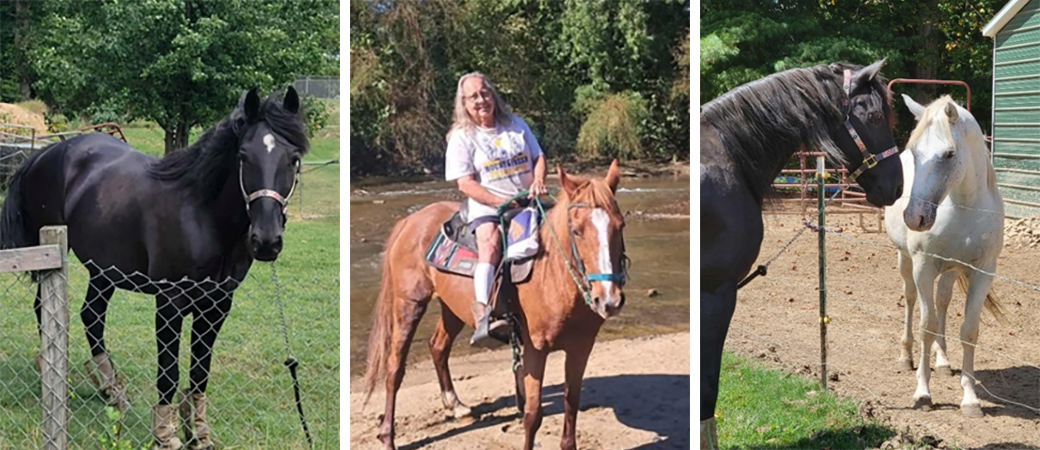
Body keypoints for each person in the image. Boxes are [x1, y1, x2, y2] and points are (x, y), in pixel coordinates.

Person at [444, 72, 547, 345]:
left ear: (493, 95)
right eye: (473, 97)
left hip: (528, 201)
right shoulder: (461, 137)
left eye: (485, 93)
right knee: (489, 246)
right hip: (489, 208)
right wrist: (498, 202)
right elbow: (465, 183)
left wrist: (538, 180)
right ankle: (484, 313)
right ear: (464, 103)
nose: (481, 100)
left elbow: (538, 156)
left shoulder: (515, 123)